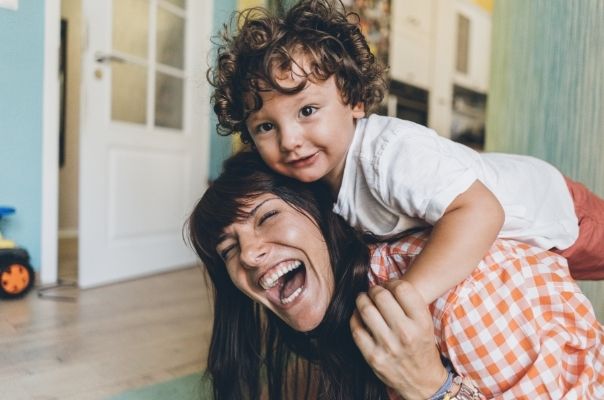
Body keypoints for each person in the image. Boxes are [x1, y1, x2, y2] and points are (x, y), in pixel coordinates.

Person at [207, 0, 604, 305]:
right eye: (266, 126)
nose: (290, 139)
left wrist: (409, 294)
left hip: (552, 209)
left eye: (307, 111)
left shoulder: (388, 154)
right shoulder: (313, 181)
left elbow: (481, 211)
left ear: (354, 100)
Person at [187, 151, 604, 400]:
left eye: (268, 216)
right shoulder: (349, 309)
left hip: (557, 207)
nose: (251, 254)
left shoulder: (464, 303)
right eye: (229, 248)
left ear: (324, 213)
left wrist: (432, 387)